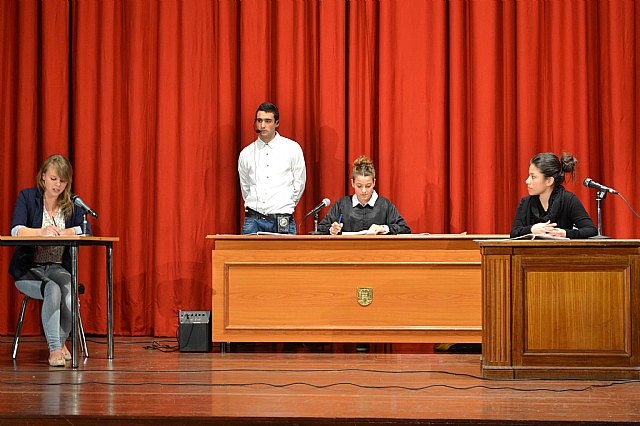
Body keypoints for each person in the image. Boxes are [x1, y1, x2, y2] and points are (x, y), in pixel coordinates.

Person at [9, 154, 91, 367]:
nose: (58, 185)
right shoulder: (28, 197)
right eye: (54, 179)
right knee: (52, 289)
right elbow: (16, 230)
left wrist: (64, 232)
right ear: (43, 176)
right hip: (29, 269)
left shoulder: (71, 203)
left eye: (63, 181)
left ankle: (60, 341)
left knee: (70, 293)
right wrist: (41, 231)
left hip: (56, 267)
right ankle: (55, 349)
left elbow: (85, 230)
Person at [238, 102, 306, 234]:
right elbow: (245, 187)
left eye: (268, 121)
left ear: (277, 123)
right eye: (259, 121)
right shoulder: (246, 153)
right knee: (246, 249)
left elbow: (299, 183)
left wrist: (285, 204)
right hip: (253, 219)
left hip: (282, 218)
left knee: (286, 250)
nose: (262, 125)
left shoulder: (292, 149)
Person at [510, 152, 597, 239]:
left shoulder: (568, 199)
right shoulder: (525, 202)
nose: (527, 181)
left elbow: (591, 230)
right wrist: (531, 229)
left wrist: (565, 233)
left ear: (549, 181)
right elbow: (514, 233)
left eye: (533, 177)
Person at [318, 155, 411, 235]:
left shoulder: (385, 205)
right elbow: (320, 228)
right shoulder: (342, 205)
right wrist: (331, 229)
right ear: (352, 183)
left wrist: (384, 228)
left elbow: (405, 229)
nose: (363, 191)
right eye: (359, 186)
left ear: (374, 183)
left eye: (368, 186)